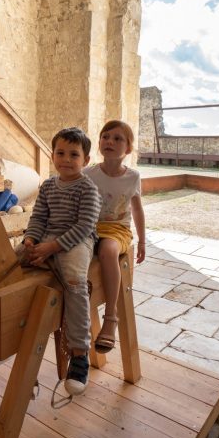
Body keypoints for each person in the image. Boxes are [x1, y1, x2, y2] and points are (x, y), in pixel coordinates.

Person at [19, 127, 101, 395]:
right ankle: (23, 347)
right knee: (9, 262)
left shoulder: (88, 188)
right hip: (48, 235)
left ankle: (79, 353)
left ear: (85, 160)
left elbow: (84, 225)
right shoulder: (48, 186)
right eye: (61, 153)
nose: (66, 159)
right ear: (52, 154)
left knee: (76, 282)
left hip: (78, 240)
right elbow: (39, 217)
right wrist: (31, 240)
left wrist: (53, 247)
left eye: (74, 154)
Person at [83, 120, 146, 354]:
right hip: (89, 226)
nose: (110, 141)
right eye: (105, 136)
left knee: (108, 250)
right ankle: (78, 318)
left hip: (117, 228)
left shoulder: (132, 177)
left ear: (128, 149)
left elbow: (138, 210)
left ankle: (110, 317)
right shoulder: (88, 173)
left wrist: (142, 241)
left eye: (118, 138)